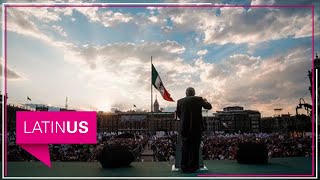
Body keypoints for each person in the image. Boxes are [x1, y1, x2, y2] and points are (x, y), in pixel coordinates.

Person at [176, 87, 212, 173]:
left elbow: (178, 114)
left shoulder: (180, 101)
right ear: (194, 93)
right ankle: (193, 167)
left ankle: (184, 167)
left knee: (185, 147)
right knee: (195, 148)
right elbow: (209, 107)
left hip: (184, 128)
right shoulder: (199, 99)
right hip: (196, 128)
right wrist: (205, 101)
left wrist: (184, 121)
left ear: (186, 93)